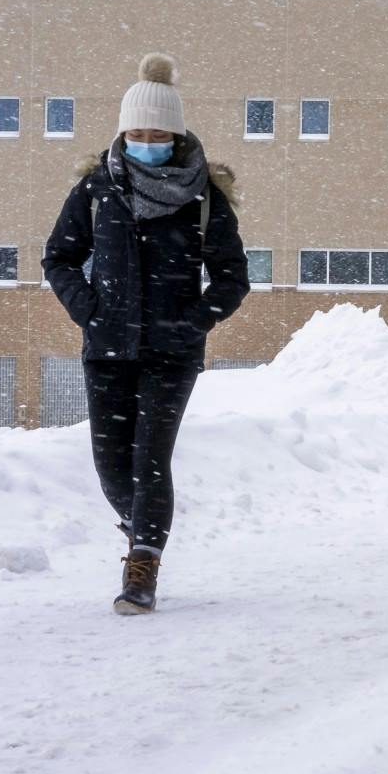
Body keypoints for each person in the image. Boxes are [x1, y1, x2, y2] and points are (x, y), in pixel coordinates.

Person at [43, 54, 248, 615]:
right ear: (123, 133)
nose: (147, 142)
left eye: (158, 135)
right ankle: (142, 529)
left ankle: (142, 567)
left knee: (150, 458)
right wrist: (88, 309)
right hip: (107, 350)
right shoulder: (96, 190)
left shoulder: (204, 198)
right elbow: (59, 258)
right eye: (137, 133)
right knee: (112, 467)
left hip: (171, 355)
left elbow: (232, 277)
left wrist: (192, 322)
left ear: (175, 137)